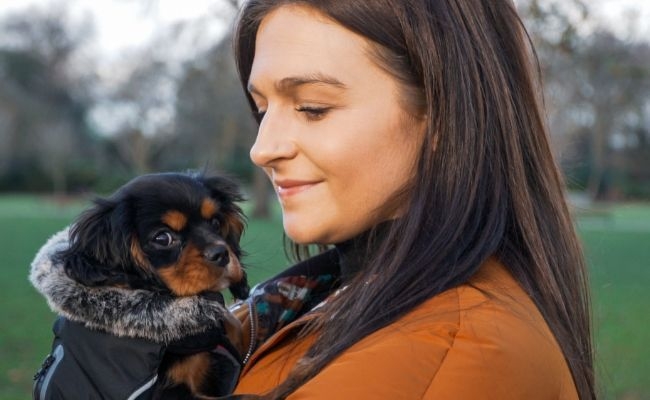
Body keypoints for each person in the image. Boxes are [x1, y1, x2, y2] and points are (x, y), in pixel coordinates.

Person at [31, 0, 595, 399]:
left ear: (445, 119)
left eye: (313, 107)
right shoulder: (334, 294)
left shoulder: (442, 360)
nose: (262, 148)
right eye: (262, 108)